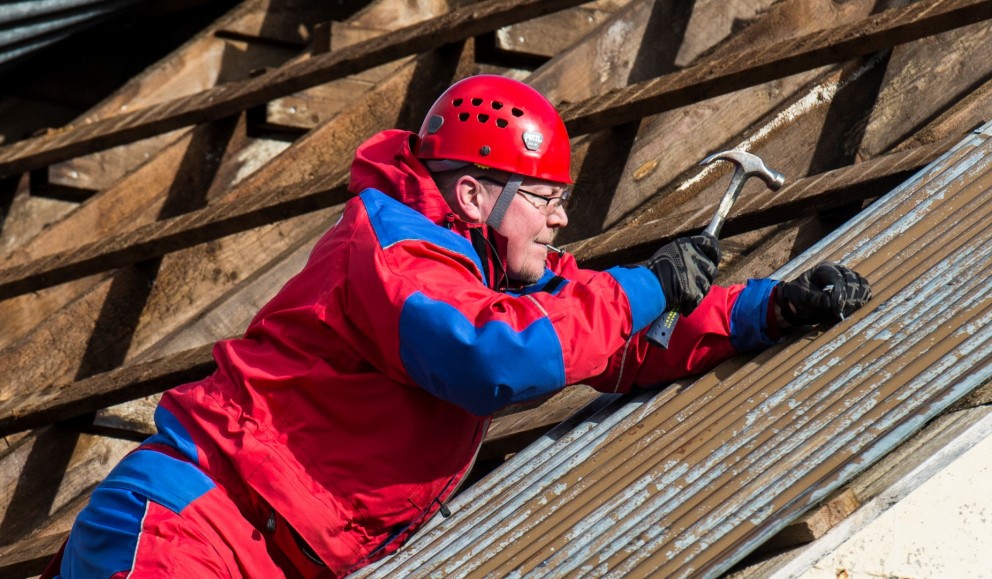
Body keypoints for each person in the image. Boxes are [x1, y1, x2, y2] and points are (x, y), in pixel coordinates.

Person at [47, 75, 870, 578]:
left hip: (256, 550)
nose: (560, 218)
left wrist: (769, 307)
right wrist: (646, 283)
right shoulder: (392, 255)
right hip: (187, 534)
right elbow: (496, 358)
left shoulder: (487, 273)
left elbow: (615, 340)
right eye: (545, 199)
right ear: (477, 196)